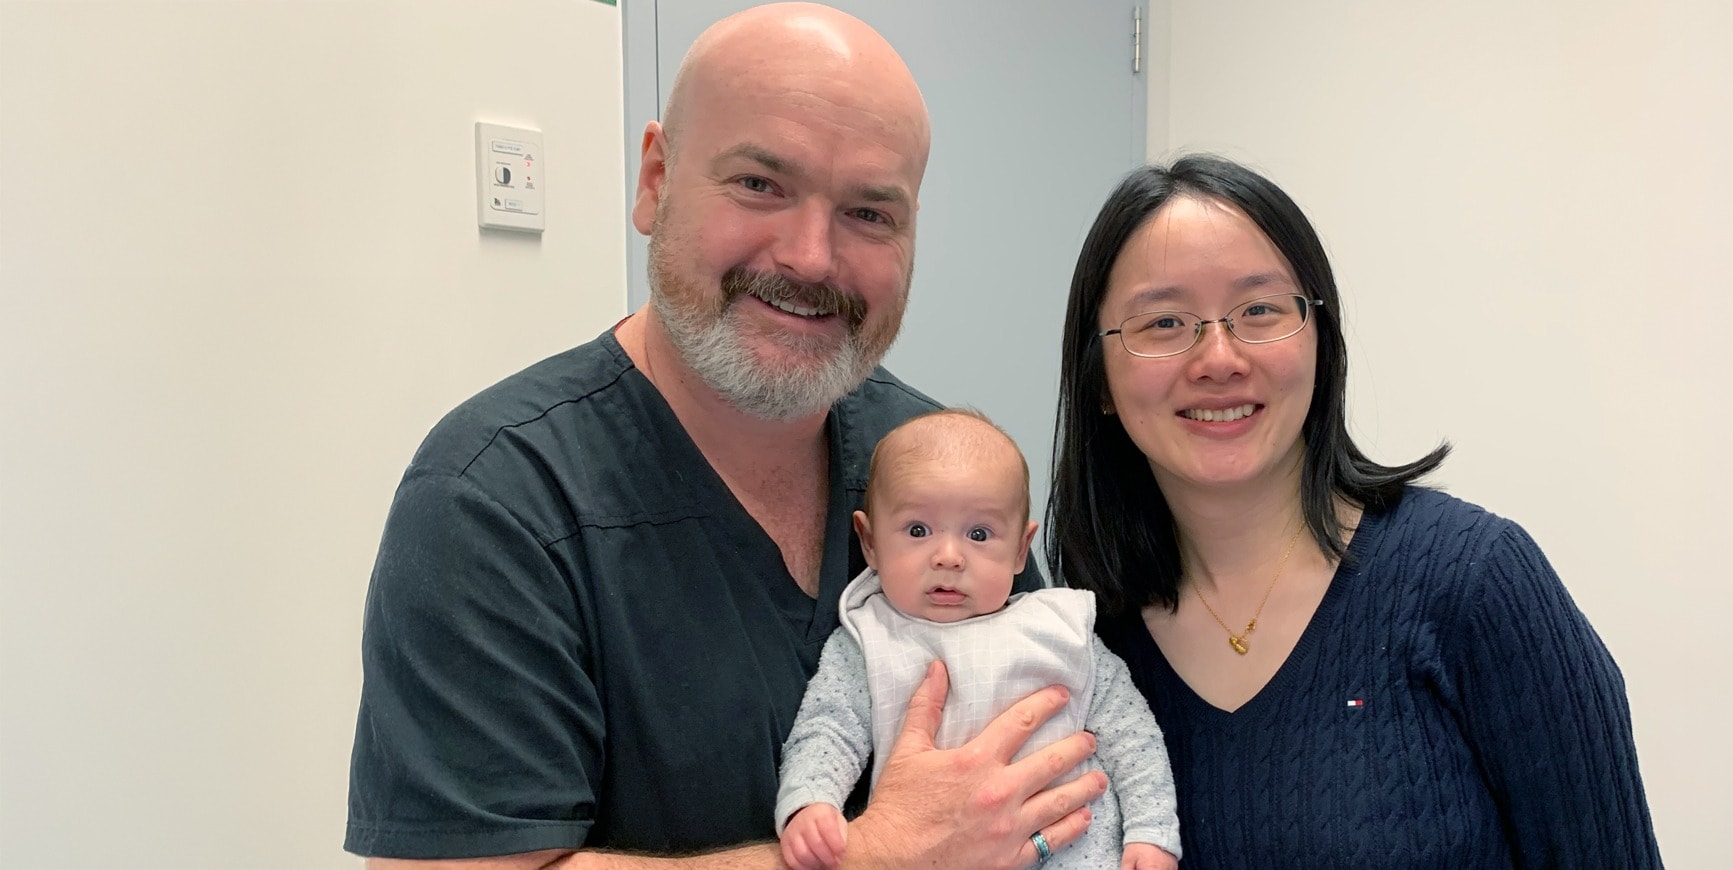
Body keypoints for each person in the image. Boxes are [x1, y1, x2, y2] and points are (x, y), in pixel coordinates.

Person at [346, 4, 1105, 868]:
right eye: (760, 185)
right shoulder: (497, 501)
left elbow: (1046, 778)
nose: (812, 257)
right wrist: (878, 856)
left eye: (869, 213)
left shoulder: (931, 459)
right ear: (655, 179)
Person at [1046, 154, 1662, 868]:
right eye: (1163, 321)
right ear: (1100, 380)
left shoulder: (1475, 582)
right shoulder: (1085, 648)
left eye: (1259, 311)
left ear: (1319, 341)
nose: (1219, 357)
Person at [775, 409, 1180, 870]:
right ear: (869, 542)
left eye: (979, 533)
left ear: (1019, 550)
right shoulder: (868, 642)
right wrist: (810, 803)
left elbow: (1131, 733)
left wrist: (1152, 834)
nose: (949, 556)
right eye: (918, 530)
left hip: (1082, 852)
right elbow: (827, 730)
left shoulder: (1058, 629)